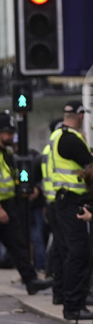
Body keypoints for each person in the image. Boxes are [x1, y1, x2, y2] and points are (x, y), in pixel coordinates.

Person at [48, 101, 93, 320]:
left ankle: (70, 302)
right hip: (71, 201)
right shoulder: (71, 139)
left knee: (69, 252)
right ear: (80, 116)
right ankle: (74, 306)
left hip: (62, 199)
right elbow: (92, 166)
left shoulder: (56, 135)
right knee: (79, 252)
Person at [0, 113, 51, 295]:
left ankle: (30, 281)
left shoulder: (6, 154)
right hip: (1, 207)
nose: (12, 136)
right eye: (8, 133)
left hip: (8, 205)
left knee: (18, 245)